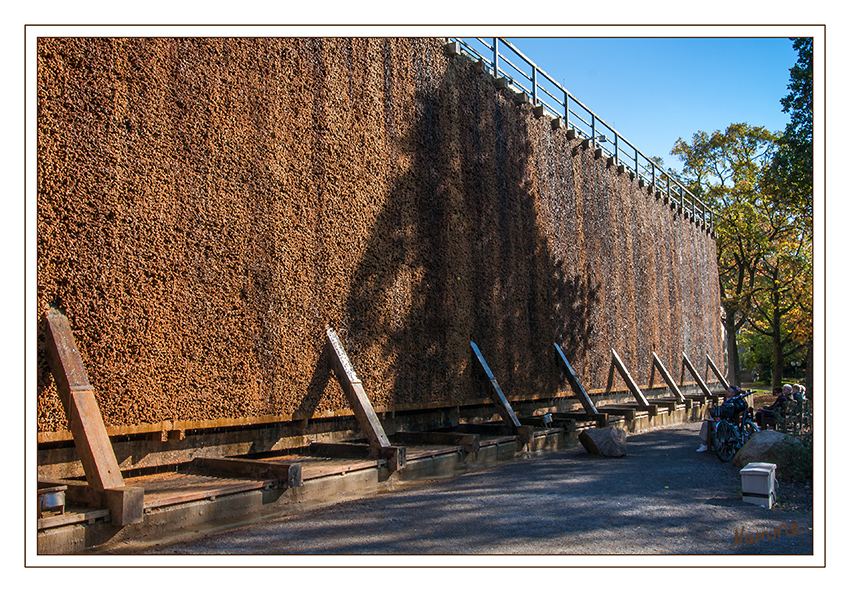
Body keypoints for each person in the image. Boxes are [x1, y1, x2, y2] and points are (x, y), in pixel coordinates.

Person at [696, 385, 743, 452]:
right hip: (732, 423)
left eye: (729, 391)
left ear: (733, 394)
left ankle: (704, 444)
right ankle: (708, 444)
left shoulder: (729, 403)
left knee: (706, 423)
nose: (726, 392)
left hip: (726, 424)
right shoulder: (737, 402)